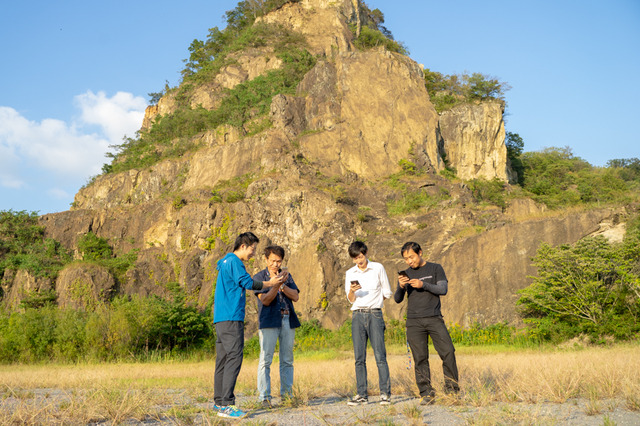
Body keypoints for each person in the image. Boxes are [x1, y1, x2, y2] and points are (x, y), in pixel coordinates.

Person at [213, 232, 285, 419]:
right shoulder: (235, 262)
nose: (253, 253)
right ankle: (227, 405)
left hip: (220, 318)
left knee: (222, 359)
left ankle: (219, 402)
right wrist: (270, 283)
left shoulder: (224, 262)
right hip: (231, 317)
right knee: (234, 357)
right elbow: (247, 283)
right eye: (253, 249)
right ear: (243, 246)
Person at [394, 241, 459, 405]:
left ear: (420, 253)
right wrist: (401, 286)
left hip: (434, 318)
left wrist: (424, 285)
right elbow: (397, 299)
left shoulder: (436, 268)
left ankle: (452, 391)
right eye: (406, 259)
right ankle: (426, 393)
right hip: (414, 322)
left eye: (412, 257)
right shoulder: (406, 274)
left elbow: (443, 289)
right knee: (420, 358)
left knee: (448, 352)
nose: (409, 261)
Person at [344, 241, 393, 406]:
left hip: (374, 313)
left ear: (365, 253)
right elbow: (350, 299)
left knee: (380, 355)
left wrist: (376, 302)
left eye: (361, 256)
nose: (359, 260)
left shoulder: (378, 268)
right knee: (359, 357)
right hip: (357, 315)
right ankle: (362, 395)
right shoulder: (350, 273)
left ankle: (385, 394)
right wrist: (352, 291)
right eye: (355, 258)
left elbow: (386, 291)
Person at [253, 245, 301, 408]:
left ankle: (287, 396)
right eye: (272, 261)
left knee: (287, 360)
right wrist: (274, 285)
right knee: (265, 360)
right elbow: (264, 300)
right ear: (266, 260)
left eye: (278, 261)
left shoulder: (287, 276)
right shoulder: (259, 277)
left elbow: (295, 296)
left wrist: (282, 284)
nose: (275, 264)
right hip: (268, 321)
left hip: (287, 319)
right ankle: (264, 397)